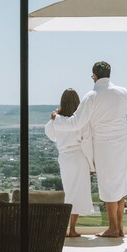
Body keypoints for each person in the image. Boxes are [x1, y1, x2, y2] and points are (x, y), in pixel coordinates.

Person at [51, 61, 127, 238]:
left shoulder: (91, 96)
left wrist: (57, 118)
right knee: (119, 181)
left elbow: (76, 122)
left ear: (94, 76)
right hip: (122, 141)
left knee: (108, 184)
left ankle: (112, 228)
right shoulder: (123, 92)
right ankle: (120, 228)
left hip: (104, 143)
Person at [45, 88, 96, 237]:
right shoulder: (81, 120)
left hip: (65, 158)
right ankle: (72, 228)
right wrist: (91, 165)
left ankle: (64, 227)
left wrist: (55, 115)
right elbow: (87, 143)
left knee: (68, 192)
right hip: (79, 157)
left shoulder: (57, 120)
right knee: (78, 193)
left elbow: (51, 134)